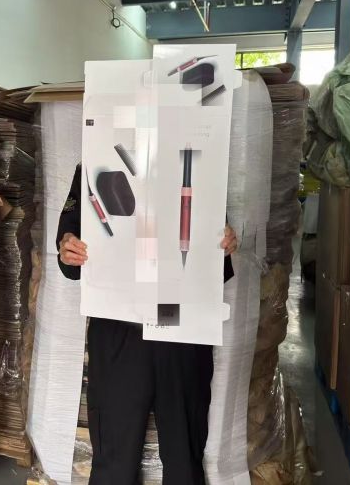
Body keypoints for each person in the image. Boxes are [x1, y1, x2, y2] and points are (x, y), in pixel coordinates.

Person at [56, 164, 237, 485]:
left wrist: (222, 247)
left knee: (184, 456)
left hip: (182, 326)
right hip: (118, 325)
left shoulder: (196, 163)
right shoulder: (97, 161)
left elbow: (215, 259)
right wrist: (67, 247)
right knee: (114, 457)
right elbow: (70, 237)